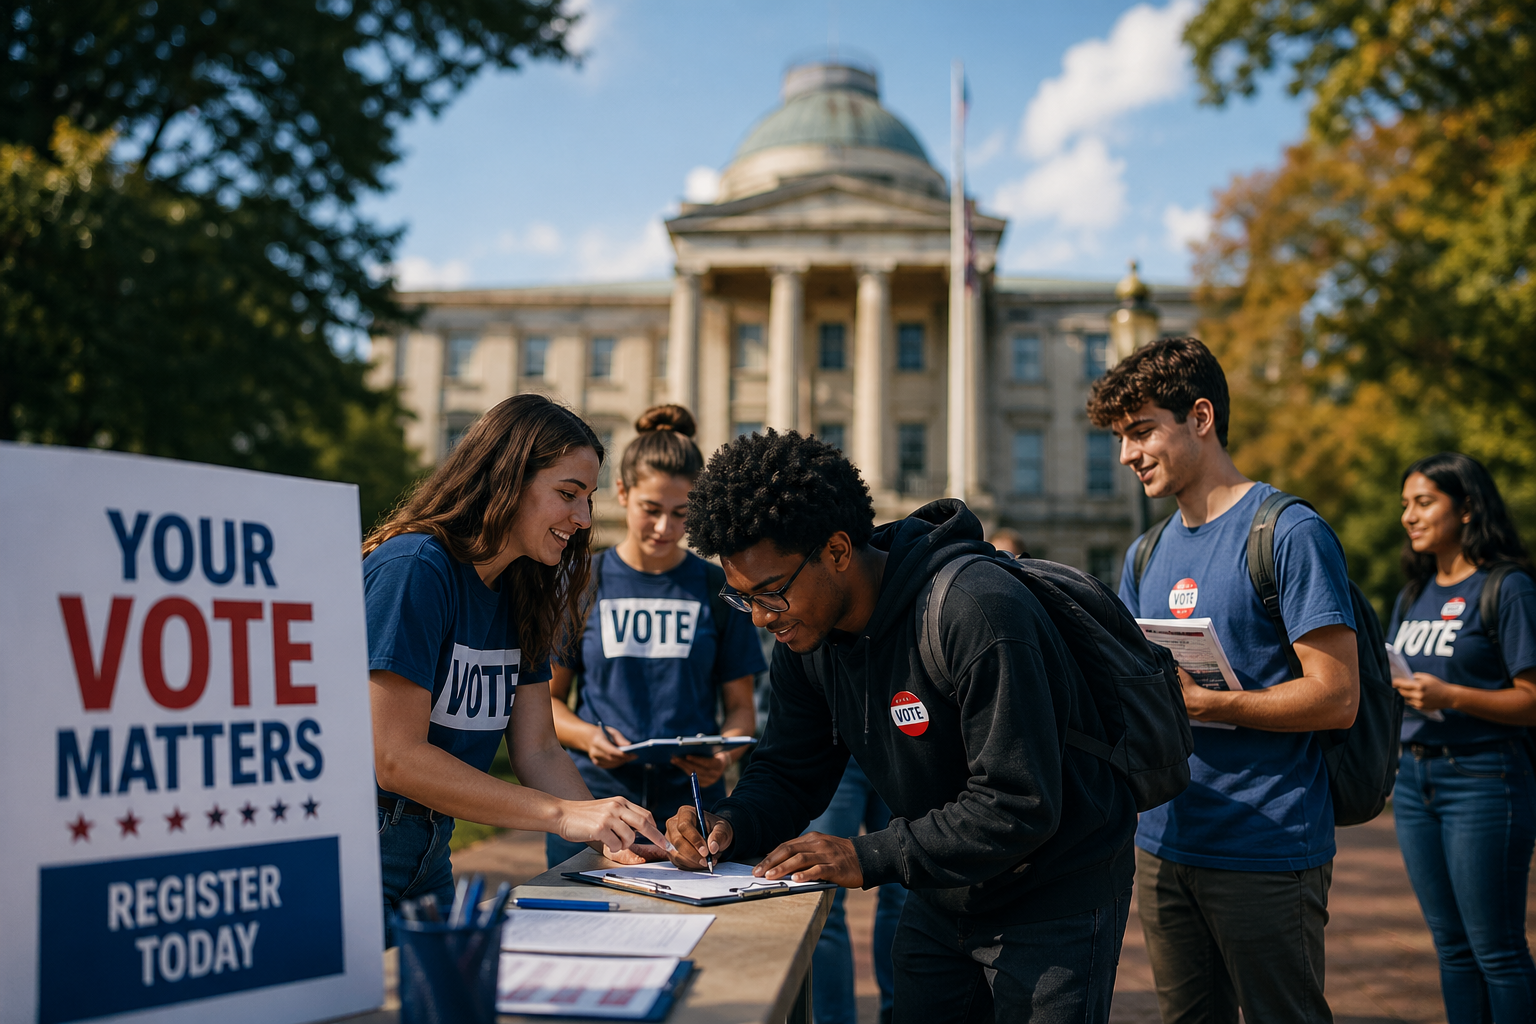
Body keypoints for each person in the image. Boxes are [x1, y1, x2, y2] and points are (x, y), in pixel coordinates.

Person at [665, 429, 1139, 1024]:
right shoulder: (805, 635)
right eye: (743, 599)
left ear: (837, 551)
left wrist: (864, 855)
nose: (761, 618)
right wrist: (728, 823)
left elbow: (1019, 801)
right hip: (942, 893)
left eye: (770, 593)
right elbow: (789, 771)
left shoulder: (976, 610)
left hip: (1055, 895)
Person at [1087, 336, 1361, 1024]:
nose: (1126, 455)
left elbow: (1338, 697)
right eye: (1122, 437)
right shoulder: (1143, 553)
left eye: (1142, 430)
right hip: (1163, 845)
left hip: (1267, 844)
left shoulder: (1288, 533)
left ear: (1200, 418)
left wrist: (1211, 703)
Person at [363, 394, 668, 947]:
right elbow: (395, 758)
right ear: (505, 479)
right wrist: (563, 816)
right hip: (363, 847)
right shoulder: (415, 568)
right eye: (567, 494)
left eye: (588, 499)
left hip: (433, 848)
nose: (582, 519)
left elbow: (539, 750)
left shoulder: (522, 589)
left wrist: (616, 841)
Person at [545, 405, 764, 867]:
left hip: (690, 809)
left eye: (680, 513)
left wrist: (723, 756)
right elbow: (546, 704)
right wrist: (589, 737)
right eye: (651, 509)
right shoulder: (583, 581)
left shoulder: (717, 589)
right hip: (594, 801)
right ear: (622, 493)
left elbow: (742, 712)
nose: (665, 527)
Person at [1390, 452, 1536, 1023]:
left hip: (1485, 779)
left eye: (1424, 502)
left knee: (1497, 950)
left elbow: (1531, 701)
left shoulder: (1508, 588)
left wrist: (1451, 697)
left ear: (1468, 507)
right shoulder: (1412, 595)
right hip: (1413, 782)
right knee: (1451, 949)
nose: (1409, 516)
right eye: (1405, 505)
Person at [804, 759, 907, 1024]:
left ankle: (901, 1014)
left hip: (901, 751)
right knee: (822, 901)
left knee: (907, 894)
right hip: (833, 751)